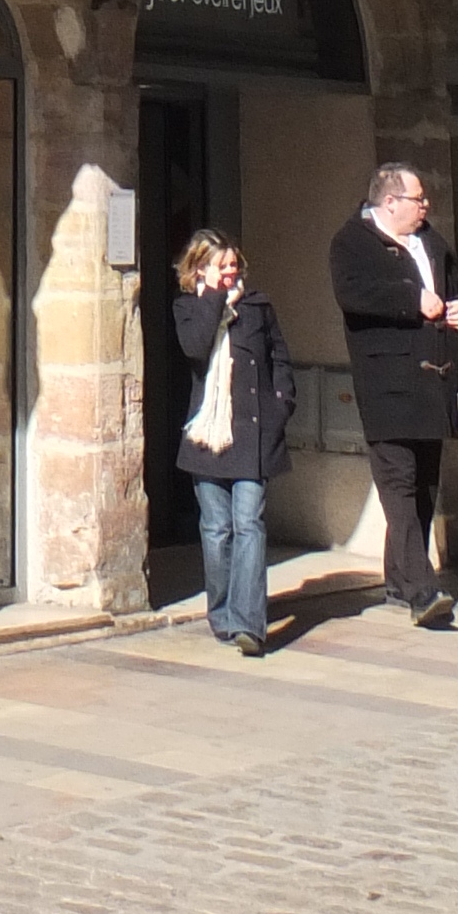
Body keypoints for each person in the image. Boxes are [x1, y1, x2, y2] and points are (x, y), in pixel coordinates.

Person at [329, 161, 458, 628]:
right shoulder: (351, 242)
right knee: (398, 484)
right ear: (389, 202)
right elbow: (353, 295)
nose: (425, 207)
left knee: (425, 486)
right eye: (418, 199)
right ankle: (421, 590)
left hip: (434, 384)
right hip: (387, 387)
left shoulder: (430, 240)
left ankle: (397, 577)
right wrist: (412, 299)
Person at [169, 227, 296, 655]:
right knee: (216, 529)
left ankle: (249, 623)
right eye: (221, 265)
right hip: (208, 435)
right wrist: (215, 299)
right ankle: (221, 614)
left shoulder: (258, 306)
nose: (231, 271)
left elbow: (279, 356)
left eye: (233, 263)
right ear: (200, 267)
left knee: (249, 524)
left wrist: (282, 403)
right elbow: (195, 347)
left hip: (254, 433)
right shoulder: (189, 307)